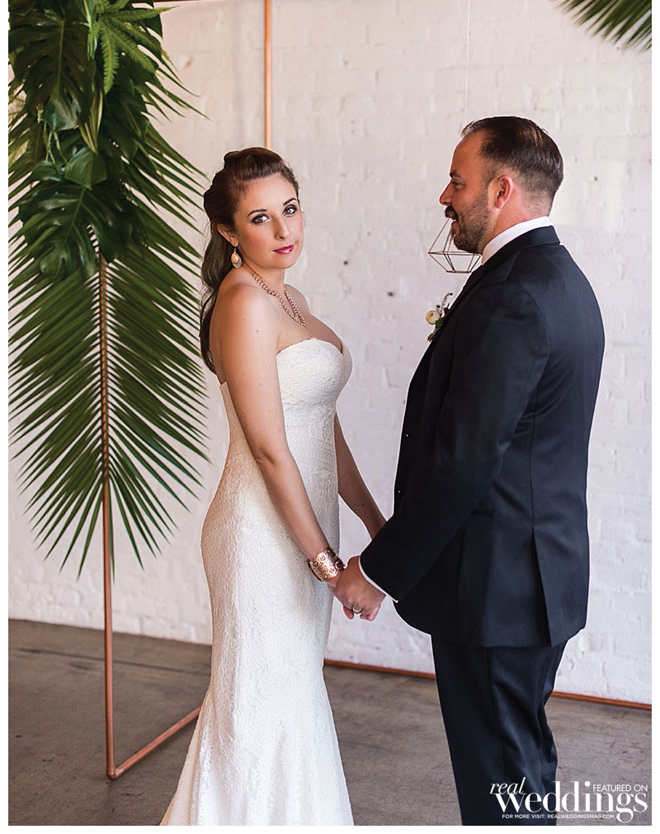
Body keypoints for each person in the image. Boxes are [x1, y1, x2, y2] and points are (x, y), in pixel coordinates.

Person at [333, 117, 605, 825]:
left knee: (502, 790)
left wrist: (378, 570)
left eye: (457, 181)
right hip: (531, 578)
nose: (445, 196)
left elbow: (465, 463)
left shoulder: (514, 295)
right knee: (518, 770)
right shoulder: (561, 280)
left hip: (497, 590)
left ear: (501, 189)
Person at [161, 148, 385, 825]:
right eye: (261, 217)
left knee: (293, 696)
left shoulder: (291, 298)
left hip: (308, 526)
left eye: (290, 208)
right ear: (228, 230)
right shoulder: (242, 301)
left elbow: (323, 428)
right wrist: (327, 564)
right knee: (259, 705)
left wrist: (375, 523)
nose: (284, 229)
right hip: (261, 535)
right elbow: (267, 446)